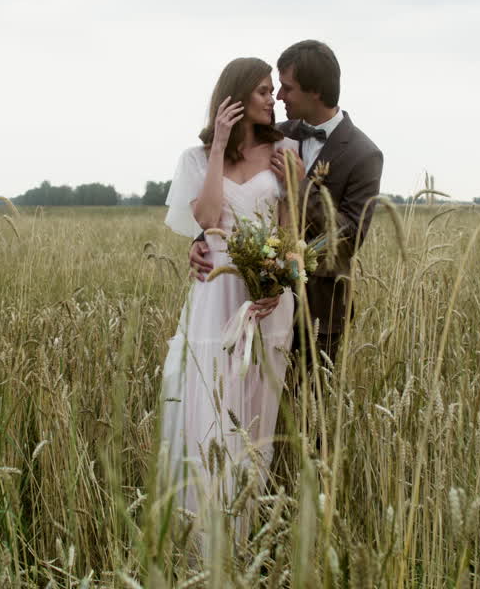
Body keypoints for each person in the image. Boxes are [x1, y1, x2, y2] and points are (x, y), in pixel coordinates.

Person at [158, 57, 301, 534]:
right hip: (216, 294)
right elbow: (207, 218)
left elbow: (289, 232)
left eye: (272, 90)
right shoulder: (196, 158)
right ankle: (207, 537)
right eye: (262, 90)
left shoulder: (284, 151)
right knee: (214, 412)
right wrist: (219, 146)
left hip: (266, 298)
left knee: (256, 418)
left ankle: (246, 535)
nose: (272, 98)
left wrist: (278, 283)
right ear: (236, 98)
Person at [190, 40, 383, 365]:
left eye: (287, 88)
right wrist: (205, 241)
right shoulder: (272, 134)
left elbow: (348, 240)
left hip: (318, 311)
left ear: (315, 92)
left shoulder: (364, 155)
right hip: (252, 299)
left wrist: (301, 188)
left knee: (309, 409)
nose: (278, 97)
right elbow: (242, 197)